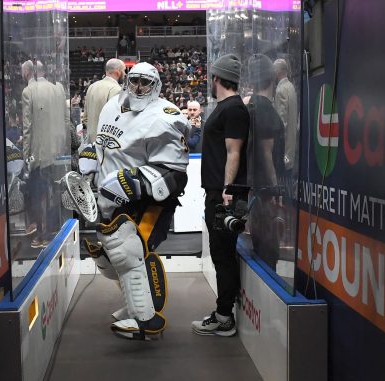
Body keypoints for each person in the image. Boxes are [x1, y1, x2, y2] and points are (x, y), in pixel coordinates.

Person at [80, 62, 190, 340]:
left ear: (157, 85)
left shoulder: (165, 115)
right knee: (110, 259)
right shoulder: (111, 105)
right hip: (109, 199)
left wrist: (136, 181)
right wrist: (90, 155)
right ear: (127, 80)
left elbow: (176, 174)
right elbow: (101, 144)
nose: (139, 88)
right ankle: (133, 307)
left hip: (146, 201)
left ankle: (145, 321)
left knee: (126, 252)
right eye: (135, 80)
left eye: (146, 82)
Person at [191, 54, 249, 337]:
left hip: (223, 195)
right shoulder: (227, 108)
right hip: (217, 192)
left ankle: (225, 317)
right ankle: (223, 312)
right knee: (220, 253)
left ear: (217, 78)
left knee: (223, 254)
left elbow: (233, 152)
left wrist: (227, 190)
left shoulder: (234, 109)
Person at [22, 60, 67, 248]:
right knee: (54, 192)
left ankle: (42, 234)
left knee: (39, 194)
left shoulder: (28, 91)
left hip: (39, 154)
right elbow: (66, 120)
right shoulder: (59, 89)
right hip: (58, 152)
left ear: (28, 73)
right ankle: (54, 230)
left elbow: (27, 128)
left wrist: (26, 156)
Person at [247, 54, 285, 269]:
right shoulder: (264, 109)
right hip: (265, 192)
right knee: (269, 249)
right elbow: (266, 153)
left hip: (257, 189)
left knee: (262, 245)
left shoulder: (253, 105)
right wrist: (275, 189)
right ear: (272, 78)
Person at [82, 58, 126, 143]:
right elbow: (116, 121)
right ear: (118, 72)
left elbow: (85, 118)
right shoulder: (117, 90)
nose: (125, 74)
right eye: (124, 71)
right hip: (105, 144)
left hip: (91, 141)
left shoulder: (92, 86)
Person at [273, 58, 298, 176]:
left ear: (277, 72)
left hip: (283, 151)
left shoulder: (280, 90)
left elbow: (281, 122)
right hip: (290, 149)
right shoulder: (291, 87)